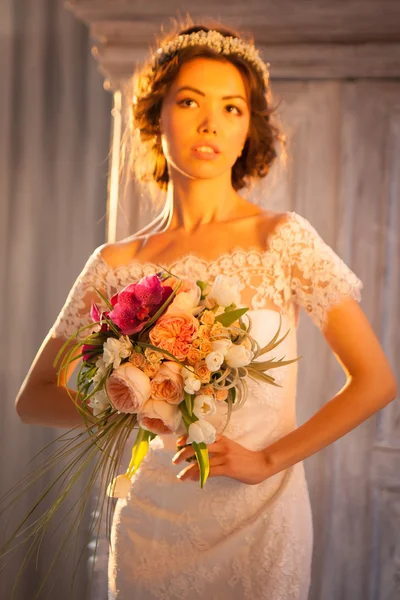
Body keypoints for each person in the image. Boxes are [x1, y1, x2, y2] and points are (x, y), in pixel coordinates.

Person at [15, 21, 397, 600]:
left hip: (262, 513)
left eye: (232, 107)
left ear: (249, 130)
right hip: (152, 521)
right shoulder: (115, 262)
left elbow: (375, 381)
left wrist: (269, 458)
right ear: (156, 117)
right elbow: (34, 398)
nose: (210, 122)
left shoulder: (283, 239)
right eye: (190, 101)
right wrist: (134, 398)